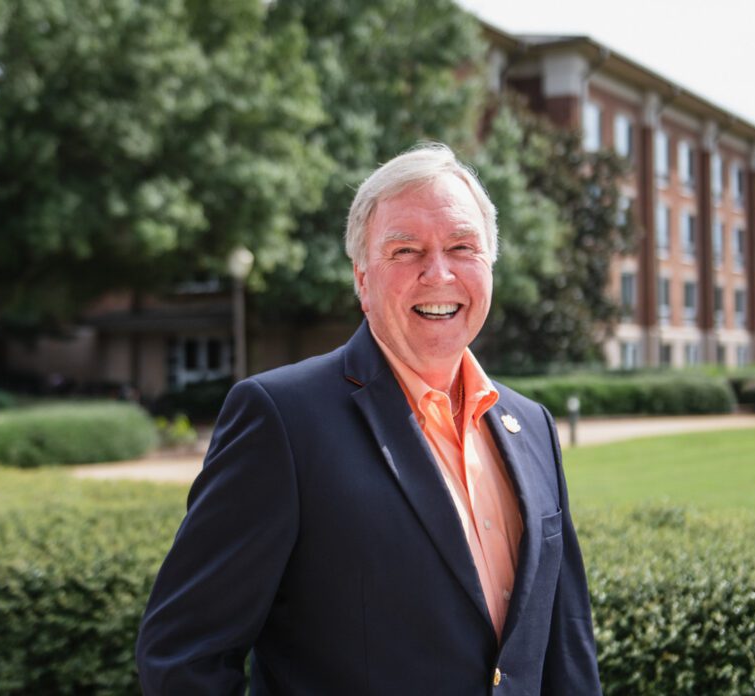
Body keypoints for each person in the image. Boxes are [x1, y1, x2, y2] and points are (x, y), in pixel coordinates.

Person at [136, 143, 602, 695]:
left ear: (489, 265)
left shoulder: (532, 427)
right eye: (405, 251)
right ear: (362, 277)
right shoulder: (282, 420)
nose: (439, 273)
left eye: (462, 246)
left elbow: (565, 644)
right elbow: (182, 655)